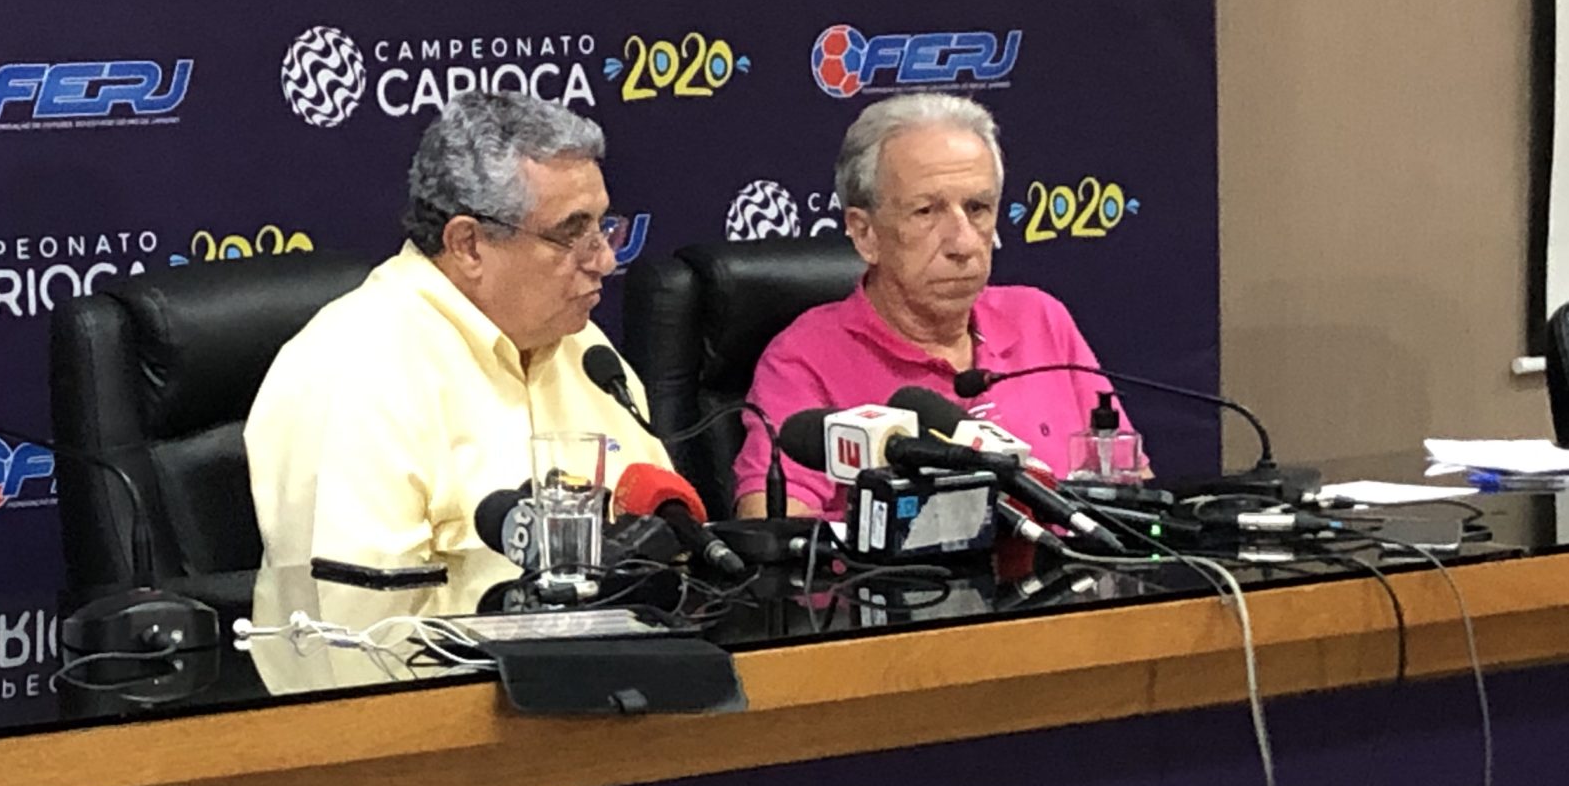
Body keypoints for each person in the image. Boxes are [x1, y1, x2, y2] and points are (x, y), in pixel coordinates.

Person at [245, 92, 670, 571]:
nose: (606, 260)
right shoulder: (353, 371)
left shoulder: (588, 352)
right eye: (571, 234)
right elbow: (359, 613)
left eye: (601, 227)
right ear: (468, 245)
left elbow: (668, 541)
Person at [734, 93, 1131, 516]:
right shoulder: (805, 359)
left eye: (977, 208)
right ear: (865, 233)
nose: (963, 242)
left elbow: (1131, 490)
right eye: (926, 211)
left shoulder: (1039, 318)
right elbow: (771, 527)